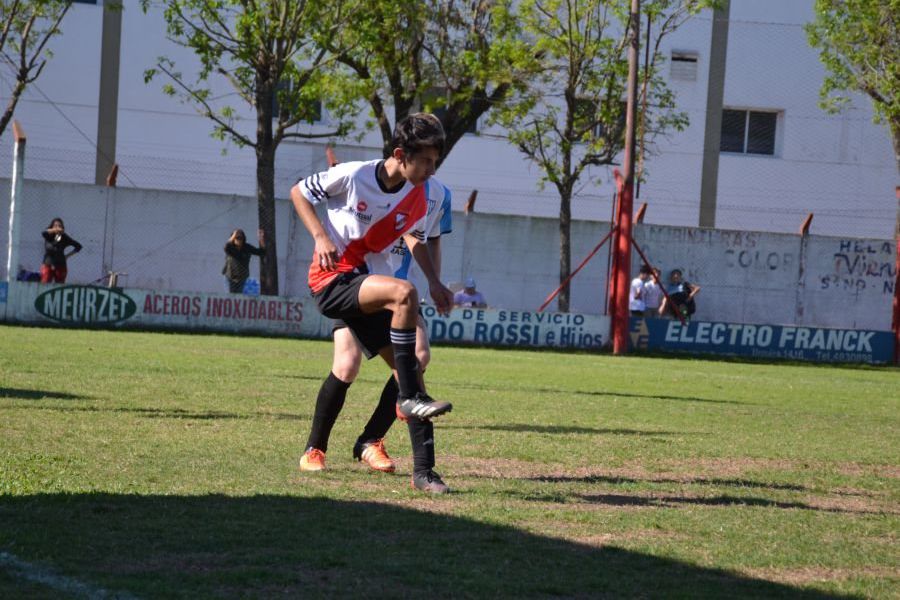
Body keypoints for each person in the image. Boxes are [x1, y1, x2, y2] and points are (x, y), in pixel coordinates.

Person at [290, 112, 455, 494]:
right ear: (401, 153)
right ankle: (315, 447)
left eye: (435, 162)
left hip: (367, 288)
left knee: (410, 369)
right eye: (426, 161)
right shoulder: (353, 175)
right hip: (333, 281)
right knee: (400, 298)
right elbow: (299, 192)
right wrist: (319, 236)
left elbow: (416, 238)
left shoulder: (422, 195)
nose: (432, 170)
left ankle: (424, 472)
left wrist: (434, 280)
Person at [323, 176, 452, 476]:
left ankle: (371, 440)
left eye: (434, 155)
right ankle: (315, 448)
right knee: (346, 365)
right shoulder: (379, 182)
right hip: (360, 283)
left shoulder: (441, 194)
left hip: (398, 293)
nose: (430, 163)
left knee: (418, 358)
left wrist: (435, 282)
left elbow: (429, 239)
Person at [223, 228, 265, 293]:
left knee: (239, 297)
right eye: (237, 237)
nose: (239, 239)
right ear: (233, 239)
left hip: (242, 277)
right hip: (230, 276)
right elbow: (226, 247)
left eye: (241, 238)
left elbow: (261, 252)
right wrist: (234, 235)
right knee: (230, 296)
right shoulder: (230, 247)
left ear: (243, 239)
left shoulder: (246, 247)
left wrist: (261, 238)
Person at [41, 218, 82, 284]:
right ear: (52, 226)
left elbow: (78, 246)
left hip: (60, 264)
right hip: (48, 264)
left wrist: (67, 256)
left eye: (59, 226)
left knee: (59, 285)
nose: (57, 227)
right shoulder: (48, 235)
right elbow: (43, 233)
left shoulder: (64, 237)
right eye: (55, 225)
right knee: (45, 284)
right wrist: (55, 230)